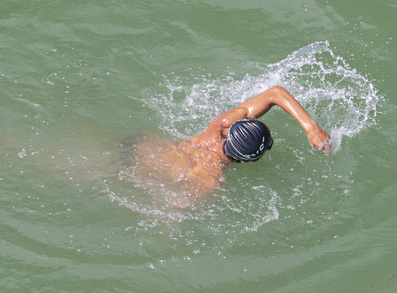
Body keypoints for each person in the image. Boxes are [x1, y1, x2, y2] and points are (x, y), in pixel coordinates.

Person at [128, 86, 331, 205]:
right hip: (135, 166)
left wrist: (312, 128)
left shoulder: (221, 124)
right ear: (251, 161)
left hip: (141, 143)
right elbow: (175, 207)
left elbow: (275, 93)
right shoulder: (210, 178)